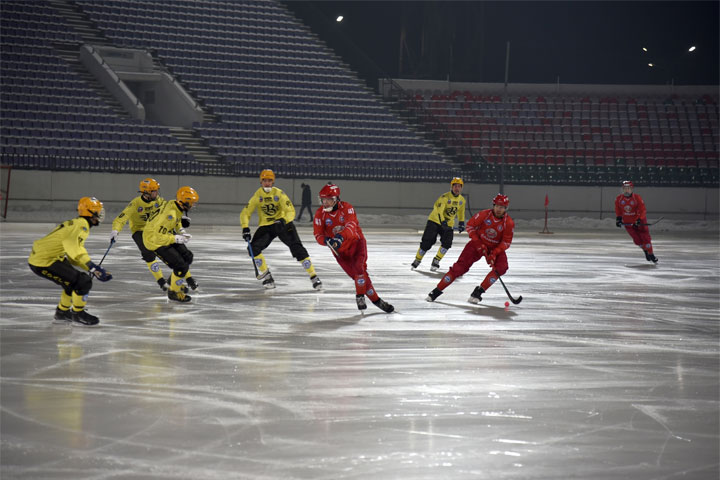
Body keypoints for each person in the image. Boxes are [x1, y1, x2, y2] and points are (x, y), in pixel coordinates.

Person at [28, 197, 112, 326]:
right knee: (83, 282)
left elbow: (73, 256)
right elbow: (75, 249)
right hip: (44, 261)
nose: (100, 215)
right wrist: (92, 267)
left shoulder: (79, 223)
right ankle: (78, 314)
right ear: (90, 213)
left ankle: (62, 313)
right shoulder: (82, 225)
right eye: (98, 212)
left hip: (49, 257)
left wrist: (91, 268)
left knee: (72, 283)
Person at [313, 183, 394, 313]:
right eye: (323, 200)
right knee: (359, 277)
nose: (326, 203)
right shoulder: (320, 214)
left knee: (359, 269)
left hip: (357, 244)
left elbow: (351, 226)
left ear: (336, 199)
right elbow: (317, 235)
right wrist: (326, 240)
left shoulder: (347, 208)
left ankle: (360, 296)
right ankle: (377, 301)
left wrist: (340, 237)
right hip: (340, 252)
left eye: (329, 199)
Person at [240, 169, 322, 290]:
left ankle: (314, 276)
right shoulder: (257, 196)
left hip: (283, 224)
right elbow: (245, 213)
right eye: (264, 181)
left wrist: (284, 220)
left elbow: (290, 210)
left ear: (273, 182)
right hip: (266, 226)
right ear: (261, 182)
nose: (267, 183)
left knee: (297, 248)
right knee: (253, 248)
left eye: (269, 181)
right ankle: (267, 276)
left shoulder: (279, 194)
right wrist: (245, 227)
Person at [426, 193, 514, 304]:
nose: (498, 209)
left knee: (502, 267)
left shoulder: (508, 223)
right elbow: (470, 226)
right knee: (459, 268)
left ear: (506, 208)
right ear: (493, 205)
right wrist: (477, 243)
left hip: (494, 248)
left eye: (501, 207)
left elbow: (506, 242)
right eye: (496, 206)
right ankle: (437, 290)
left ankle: (479, 292)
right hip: (476, 245)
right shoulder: (484, 214)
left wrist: (495, 253)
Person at [110, 177, 172, 291]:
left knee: (168, 251)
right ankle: (161, 281)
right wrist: (115, 231)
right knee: (148, 253)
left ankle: (177, 277)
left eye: (157, 190)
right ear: (147, 192)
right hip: (139, 231)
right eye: (154, 191)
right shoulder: (135, 203)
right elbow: (121, 218)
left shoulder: (158, 201)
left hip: (153, 230)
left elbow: (169, 210)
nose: (157, 193)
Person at [143, 186, 199, 302]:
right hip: (153, 241)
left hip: (163, 234)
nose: (193, 205)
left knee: (188, 257)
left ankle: (173, 281)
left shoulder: (174, 204)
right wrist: (176, 238)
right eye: (191, 202)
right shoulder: (170, 215)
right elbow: (157, 236)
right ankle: (173, 292)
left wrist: (181, 230)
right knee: (181, 266)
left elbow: (176, 220)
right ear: (185, 202)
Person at [411, 177, 467, 271]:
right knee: (427, 242)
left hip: (448, 223)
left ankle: (436, 260)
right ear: (451, 187)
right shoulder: (444, 197)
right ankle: (417, 259)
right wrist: (443, 222)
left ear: (461, 188)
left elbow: (461, 212)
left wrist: (461, 223)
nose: (457, 188)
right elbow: (439, 211)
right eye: (455, 186)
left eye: (459, 186)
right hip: (435, 221)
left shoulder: (462, 200)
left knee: (447, 243)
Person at [615, 180, 658, 263]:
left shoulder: (637, 198)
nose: (627, 190)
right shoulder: (618, 199)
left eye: (629, 188)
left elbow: (642, 210)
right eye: (625, 188)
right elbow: (618, 210)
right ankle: (646, 251)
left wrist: (639, 219)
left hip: (640, 222)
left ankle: (651, 254)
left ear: (632, 189)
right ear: (622, 189)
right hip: (628, 224)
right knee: (637, 240)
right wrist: (618, 219)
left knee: (645, 238)